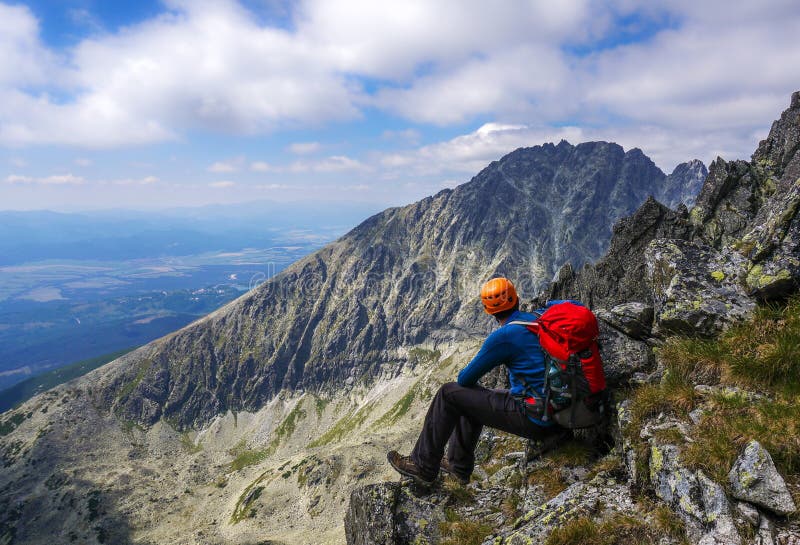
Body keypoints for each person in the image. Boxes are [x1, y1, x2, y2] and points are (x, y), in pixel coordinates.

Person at [387, 277, 568, 486]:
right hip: (560, 409)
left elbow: (464, 378)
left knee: (449, 393)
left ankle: (423, 466)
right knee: (474, 398)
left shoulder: (504, 336)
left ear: (488, 311)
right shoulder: (538, 319)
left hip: (537, 419)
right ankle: (457, 466)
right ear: (517, 299)